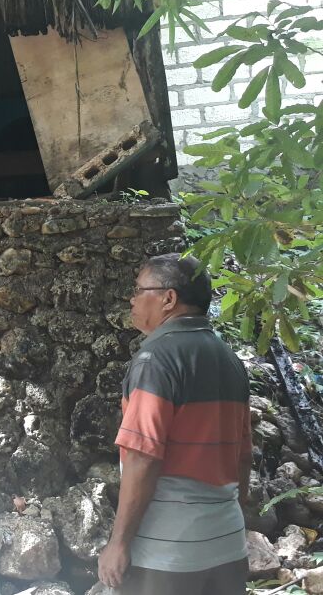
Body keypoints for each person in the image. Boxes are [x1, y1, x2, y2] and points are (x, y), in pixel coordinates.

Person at [98, 252, 253, 595]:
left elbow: (143, 455)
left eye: (139, 290)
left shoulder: (157, 359)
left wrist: (119, 543)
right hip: (227, 543)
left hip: (168, 554)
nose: (132, 299)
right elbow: (244, 455)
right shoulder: (229, 359)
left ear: (168, 298)